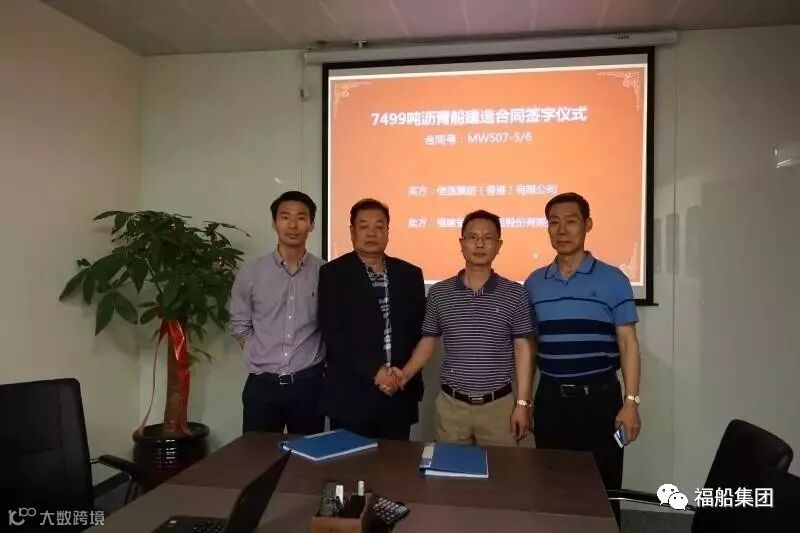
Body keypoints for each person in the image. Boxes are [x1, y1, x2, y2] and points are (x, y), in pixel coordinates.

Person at [524, 192, 642, 525]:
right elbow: (530, 347)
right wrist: (525, 401)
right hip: (551, 401)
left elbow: (628, 343)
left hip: (601, 402)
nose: (562, 230)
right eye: (554, 222)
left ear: (587, 225)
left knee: (604, 490)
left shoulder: (614, 279)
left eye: (571, 221)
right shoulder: (534, 283)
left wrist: (631, 403)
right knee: (552, 489)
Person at [396, 210, 536, 447]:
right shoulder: (440, 293)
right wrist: (404, 375)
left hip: (499, 407)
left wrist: (523, 404)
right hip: (452, 407)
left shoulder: (515, 293)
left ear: (499, 245)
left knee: (501, 470)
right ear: (461, 244)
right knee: (450, 469)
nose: (479, 244)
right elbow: (428, 341)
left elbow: (523, 349)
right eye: (472, 237)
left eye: (488, 238)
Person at [317, 198, 426, 440]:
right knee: (351, 462)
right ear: (352, 231)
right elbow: (333, 334)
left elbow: (419, 331)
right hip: (350, 396)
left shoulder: (410, 274)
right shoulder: (333, 274)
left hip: (398, 393)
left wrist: (399, 375)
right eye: (364, 226)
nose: (371, 232)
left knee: (394, 462)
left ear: (388, 231)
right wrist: (375, 372)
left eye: (379, 226)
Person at [229, 191, 326, 435]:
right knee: (257, 455)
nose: (293, 225)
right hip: (262, 386)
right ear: (274, 223)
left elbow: (331, 325)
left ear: (311, 224)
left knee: (305, 456)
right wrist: (258, 354)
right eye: (285, 217)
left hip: (308, 386)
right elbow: (239, 324)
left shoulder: (325, 273)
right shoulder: (251, 272)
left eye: (301, 217)